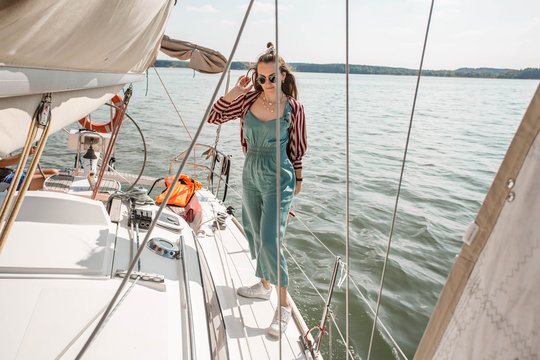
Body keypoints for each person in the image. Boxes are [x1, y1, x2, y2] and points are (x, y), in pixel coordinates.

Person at [207, 42, 307, 336]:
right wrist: (235, 93)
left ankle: (283, 306)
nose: (266, 83)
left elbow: (297, 150)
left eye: (272, 77)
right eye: (261, 78)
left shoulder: (294, 108)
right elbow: (215, 116)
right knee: (253, 232)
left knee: (270, 240)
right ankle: (264, 285)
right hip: (250, 172)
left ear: (283, 76)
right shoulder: (247, 100)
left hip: (279, 175)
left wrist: (297, 182)